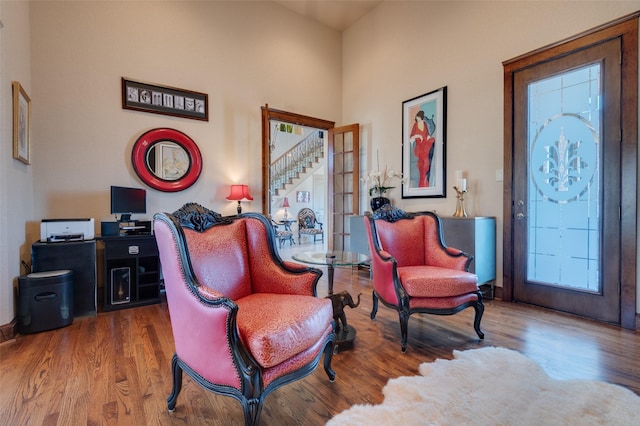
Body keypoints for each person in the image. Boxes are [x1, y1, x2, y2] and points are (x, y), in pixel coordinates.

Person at [409, 110, 436, 187]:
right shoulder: (415, 125)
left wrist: (428, 137)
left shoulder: (424, 124)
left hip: (425, 143)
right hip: (419, 144)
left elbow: (427, 134)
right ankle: (423, 181)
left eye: (418, 116)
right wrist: (418, 136)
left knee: (432, 140)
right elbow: (411, 136)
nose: (417, 118)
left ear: (420, 117)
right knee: (423, 162)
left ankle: (425, 180)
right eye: (416, 116)